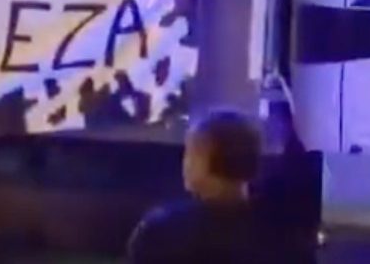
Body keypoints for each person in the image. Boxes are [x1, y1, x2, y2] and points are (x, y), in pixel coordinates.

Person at [127, 109, 311, 263]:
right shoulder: (287, 238)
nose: (185, 163)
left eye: (191, 153)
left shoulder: (161, 234)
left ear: (206, 160)